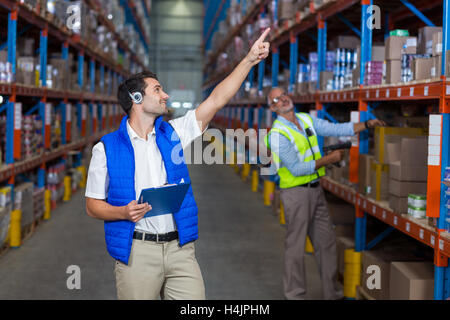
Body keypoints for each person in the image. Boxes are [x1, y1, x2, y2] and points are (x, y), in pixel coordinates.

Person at [85, 28, 271, 300]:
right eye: (157, 90)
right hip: (137, 253)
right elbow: (92, 206)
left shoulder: (173, 133)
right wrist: (124, 213)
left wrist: (249, 60)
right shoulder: (106, 148)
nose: (165, 96)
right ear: (137, 99)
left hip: (180, 250)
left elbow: (216, 100)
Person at [264, 87, 385, 300]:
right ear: (272, 108)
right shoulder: (277, 134)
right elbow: (296, 168)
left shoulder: (305, 120)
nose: (283, 100)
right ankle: (295, 295)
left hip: (316, 190)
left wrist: (365, 124)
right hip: (295, 194)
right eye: (277, 99)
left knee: (326, 243)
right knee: (295, 248)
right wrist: (329, 160)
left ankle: (333, 294)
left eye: (284, 95)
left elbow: (336, 129)